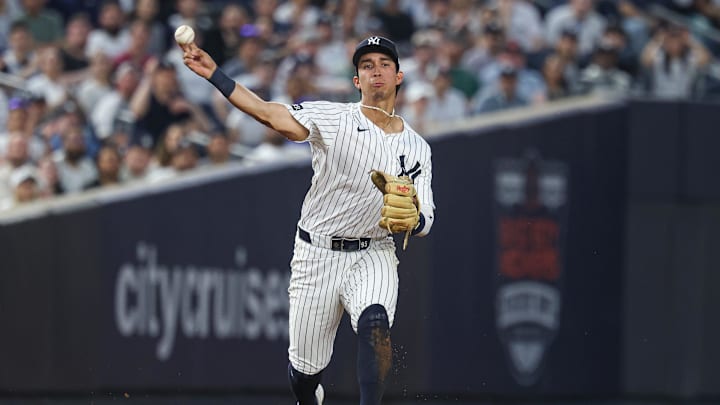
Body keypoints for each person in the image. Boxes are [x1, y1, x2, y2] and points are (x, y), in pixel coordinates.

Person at [180, 35, 435, 405]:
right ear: (356, 81)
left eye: (384, 64)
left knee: (375, 322)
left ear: (399, 76)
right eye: (367, 65)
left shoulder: (417, 149)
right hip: (317, 254)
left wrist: (414, 217)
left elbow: (426, 216)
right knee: (304, 372)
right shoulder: (334, 118)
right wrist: (215, 75)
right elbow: (271, 114)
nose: (376, 70)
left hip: (374, 250)